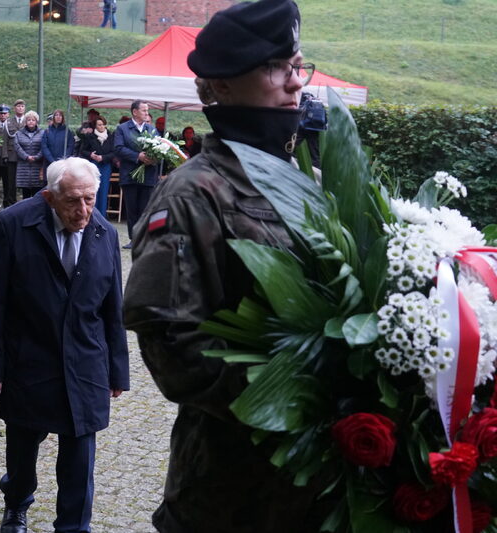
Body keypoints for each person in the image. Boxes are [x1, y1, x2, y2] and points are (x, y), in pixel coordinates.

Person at [123, 1, 327, 531]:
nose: (294, 83)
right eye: (276, 68)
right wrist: (299, 395)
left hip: (323, 486)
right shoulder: (192, 193)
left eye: (297, 66)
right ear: (224, 85)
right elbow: (173, 349)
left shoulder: (313, 185)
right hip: (230, 495)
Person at [0, 156, 129, 533]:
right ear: (49, 196)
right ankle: (17, 502)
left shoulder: (105, 233)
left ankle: (74, 526)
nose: (83, 211)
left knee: (80, 455)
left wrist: (118, 369)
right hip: (28, 358)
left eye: (90, 200)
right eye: (72, 201)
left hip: (86, 360)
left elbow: (113, 309)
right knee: (23, 448)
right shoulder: (12, 225)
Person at [113, 99, 159, 249]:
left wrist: (153, 158)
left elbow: (160, 148)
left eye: (147, 110)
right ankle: (134, 239)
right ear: (135, 112)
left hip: (148, 175)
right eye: (144, 110)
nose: (147, 113)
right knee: (132, 209)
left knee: (145, 209)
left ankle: (144, 239)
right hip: (130, 175)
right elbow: (118, 148)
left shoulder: (152, 129)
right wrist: (137, 156)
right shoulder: (122, 129)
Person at [78, 115, 114, 217]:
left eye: (103, 124)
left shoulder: (110, 137)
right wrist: (91, 155)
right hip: (94, 165)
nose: (101, 127)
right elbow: (83, 151)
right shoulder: (90, 137)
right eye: (99, 125)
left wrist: (103, 157)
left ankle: (102, 216)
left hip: (106, 165)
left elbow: (114, 153)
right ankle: (92, 214)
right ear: (95, 126)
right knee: (93, 190)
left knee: (104, 190)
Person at [14, 111, 44, 199]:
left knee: (37, 193)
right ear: (25, 121)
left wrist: (37, 157)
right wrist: (26, 157)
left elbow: (44, 146)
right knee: (26, 194)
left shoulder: (42, 133)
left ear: (36, 121)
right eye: (29, 120)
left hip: (37, 165)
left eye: (33, 120)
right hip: (24, 166)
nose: (31, 121)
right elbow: (17, 146)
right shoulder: (19, 133)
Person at [0, 104, 14, 211]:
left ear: (8, 114)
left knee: (7, 182)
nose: (2, 115)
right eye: (1, 113)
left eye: (5, 113)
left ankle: (7, 204)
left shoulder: (11, 124)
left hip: (7, 157)